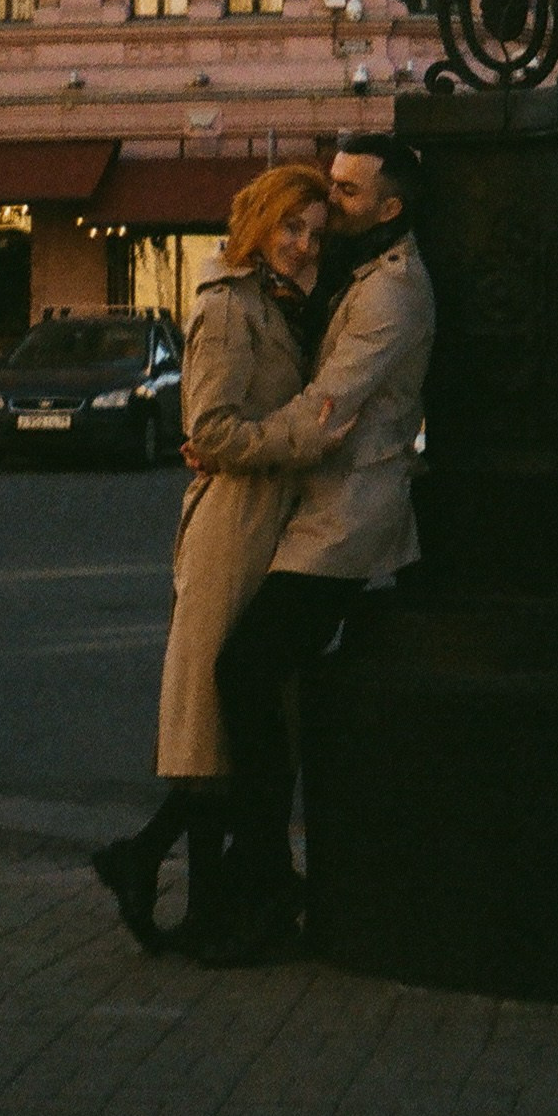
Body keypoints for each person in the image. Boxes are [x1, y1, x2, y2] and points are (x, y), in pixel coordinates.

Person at [198, 135, 436, 964]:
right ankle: (256, 872)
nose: (329, 203)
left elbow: (326, 413)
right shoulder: (363, 271)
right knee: (262, 680)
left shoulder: (393, 294)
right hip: (322, 508)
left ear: (389, 206)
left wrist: (230, 442)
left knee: (246, 670)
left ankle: (264, 880)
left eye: (345, 190)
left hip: (346, 518)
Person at [91, 163, 334, 952]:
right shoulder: (229, 307)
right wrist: (299, 436)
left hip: (266, 517)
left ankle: (156, 868)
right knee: (212, 720)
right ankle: (198, 906)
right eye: (291, 227)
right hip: (234, 520)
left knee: (230, 722)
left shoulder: (281, 305)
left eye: (315, 234)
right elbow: (212, 429)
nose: (301, 245)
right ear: (260, 225)